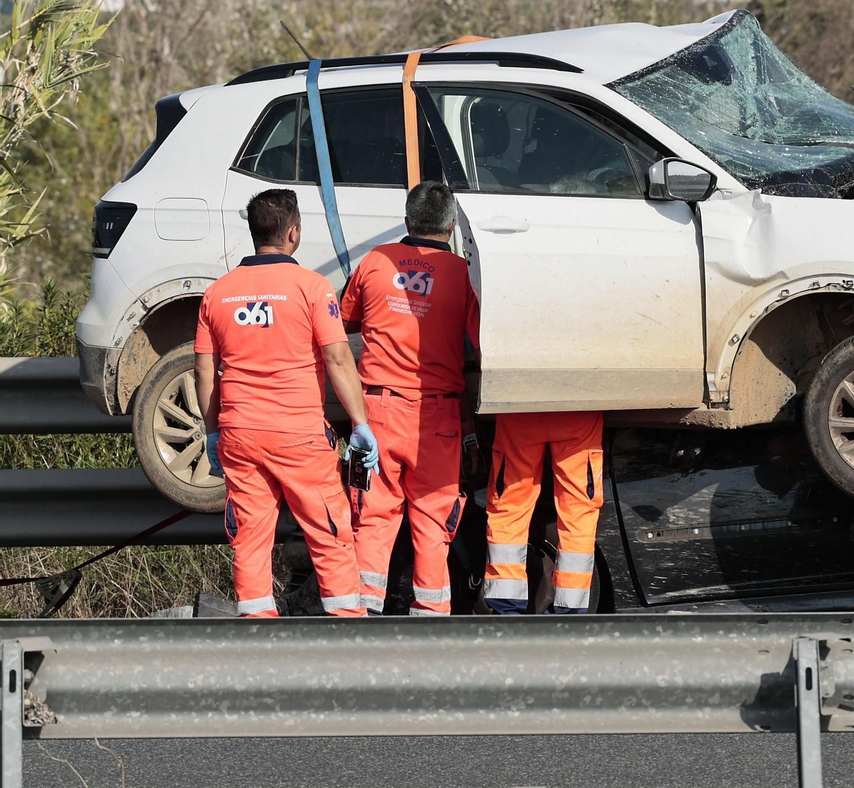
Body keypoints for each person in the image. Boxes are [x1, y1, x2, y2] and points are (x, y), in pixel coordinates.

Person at [195, 189, 380, 618]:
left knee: (251, 538)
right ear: (293, 232)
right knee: (329, 533)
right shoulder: (313, 288)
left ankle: (258, 636)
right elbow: (337, 357)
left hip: (240, 435)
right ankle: (346, 631)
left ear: (254, 232)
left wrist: (211, 432)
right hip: (298, 434)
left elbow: (205, 371)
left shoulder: (218, 293)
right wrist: (360, 423)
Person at [340, 181, 480, 616]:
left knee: (372, 519)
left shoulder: (375, 261)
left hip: (375, 414)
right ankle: (430, 621)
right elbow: (483, 343)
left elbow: (344, 320)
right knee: (433, 524)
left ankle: (361, 620)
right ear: (452, 226)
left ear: (407, 220)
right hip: (436, 416)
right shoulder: (463, 275)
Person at [483, 410, 606, 614]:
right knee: (578, 515)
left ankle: (506, 608)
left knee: (509, 508)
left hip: (520, 409)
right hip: (579, 409)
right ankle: (571, 610)